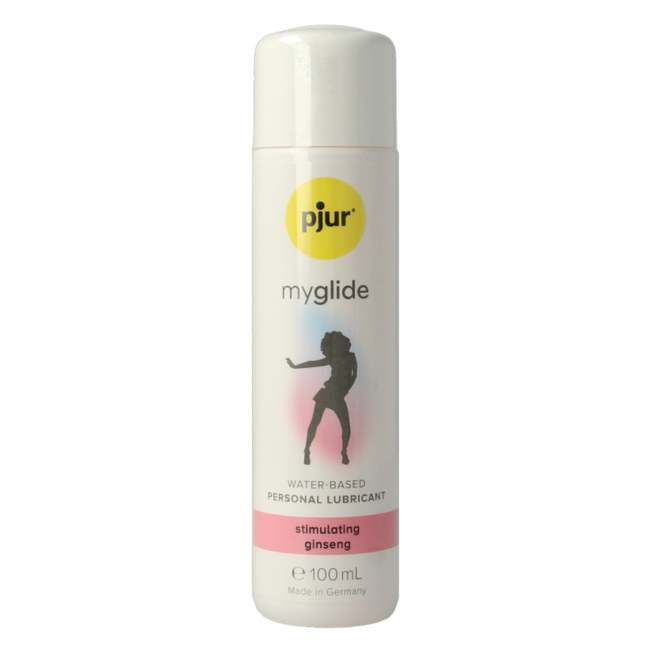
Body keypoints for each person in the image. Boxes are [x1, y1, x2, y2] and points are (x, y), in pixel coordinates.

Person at [287, 332, 358, 465]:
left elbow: (354, 375)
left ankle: (344, 451)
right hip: (328, 392)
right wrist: (295, 366)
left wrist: (346, 389)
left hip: (337, 395)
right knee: (315, 422)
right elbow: (313, 363)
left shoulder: (350, 356)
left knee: (345, 426)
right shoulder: (333, 357)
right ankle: (307, 450)